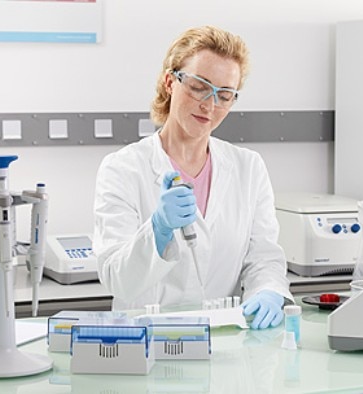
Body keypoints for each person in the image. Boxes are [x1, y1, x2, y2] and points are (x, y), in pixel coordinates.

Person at [93, 25, 292, 329]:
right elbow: (117, 280)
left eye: (224, 95)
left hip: (224, 343)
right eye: (199, 86)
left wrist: (267, 291)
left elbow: (263, 256)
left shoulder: (248, 168)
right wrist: (156, 231)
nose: (210, 105)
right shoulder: (123, 168)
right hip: (147, 344)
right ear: (170, 82)